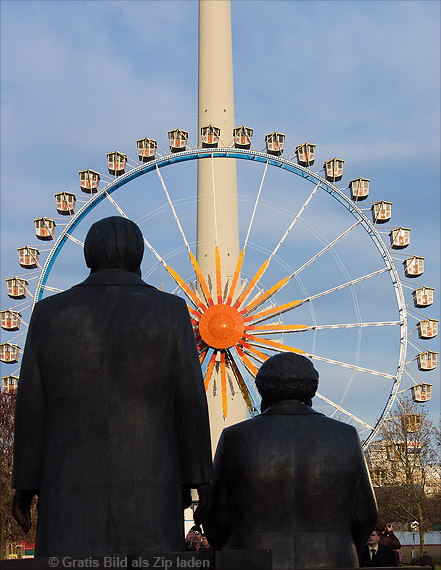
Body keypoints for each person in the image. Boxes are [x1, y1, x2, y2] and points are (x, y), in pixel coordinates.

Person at [12, 216, 213, 557]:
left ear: (88, 254)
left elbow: (31, 404)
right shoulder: (170, 311)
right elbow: (189, 402)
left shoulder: (48, 313)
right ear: (139, 255)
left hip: (66, 482)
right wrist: (200, 481)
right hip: (152, 477)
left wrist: (25, 482)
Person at [204, 352, 377, 570]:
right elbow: (365, 515)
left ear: (262, 390)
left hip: (249, 560)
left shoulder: (234, 438)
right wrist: (341, 547)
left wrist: (234, 551)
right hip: (332, 559)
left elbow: (214, 514)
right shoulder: (346, 435)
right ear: (312, 389)